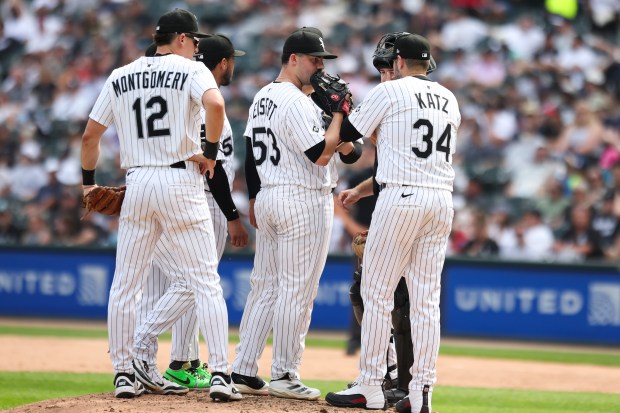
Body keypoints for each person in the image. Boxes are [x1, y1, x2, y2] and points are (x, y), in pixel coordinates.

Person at [80, 8, 239, 401]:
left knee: (125, 285)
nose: (197, 46)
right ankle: (220, 374)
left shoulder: (120, 75)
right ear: (182, 39)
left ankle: (123, 373)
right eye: (195, 40)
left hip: (137, 181)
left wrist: (88, 185)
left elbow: (89, 137)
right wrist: (212, 152)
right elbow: (216, 107)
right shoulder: (191, 70)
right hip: (180, 179)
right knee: (204, 279)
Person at [325, 33, 461, 413]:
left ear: (398, 61)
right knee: (425, 302)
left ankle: (370, 384)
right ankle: (422, 394)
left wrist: (337, 110)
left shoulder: (391, 92)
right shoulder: (449, 98)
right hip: (440, 200)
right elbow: (408, 151)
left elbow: (346, 139)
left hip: (401, 199)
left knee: (376, 292)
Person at [230, 28, 346, 400]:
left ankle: (244, 370)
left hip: (271, 195)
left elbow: (251, 151)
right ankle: (284, 372)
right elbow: (321, 155)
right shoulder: (295, 101)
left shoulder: (263, 96)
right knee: (298, 290)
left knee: (265, 287)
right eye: (314, 59)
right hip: (303, 198)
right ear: (293, 58)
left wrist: (253, 197)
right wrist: (341, 116)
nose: (319, 67)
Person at [133, 34, 249, 391]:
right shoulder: (204, 101)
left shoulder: (179, 96)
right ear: (224, 62)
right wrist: (231, 215)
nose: (233, 65)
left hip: (156, 194)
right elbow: (212, 169)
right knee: (198, 283)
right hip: (199, 201)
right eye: (232, 60)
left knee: (161, 285)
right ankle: (182, 362)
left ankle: (154, 361)